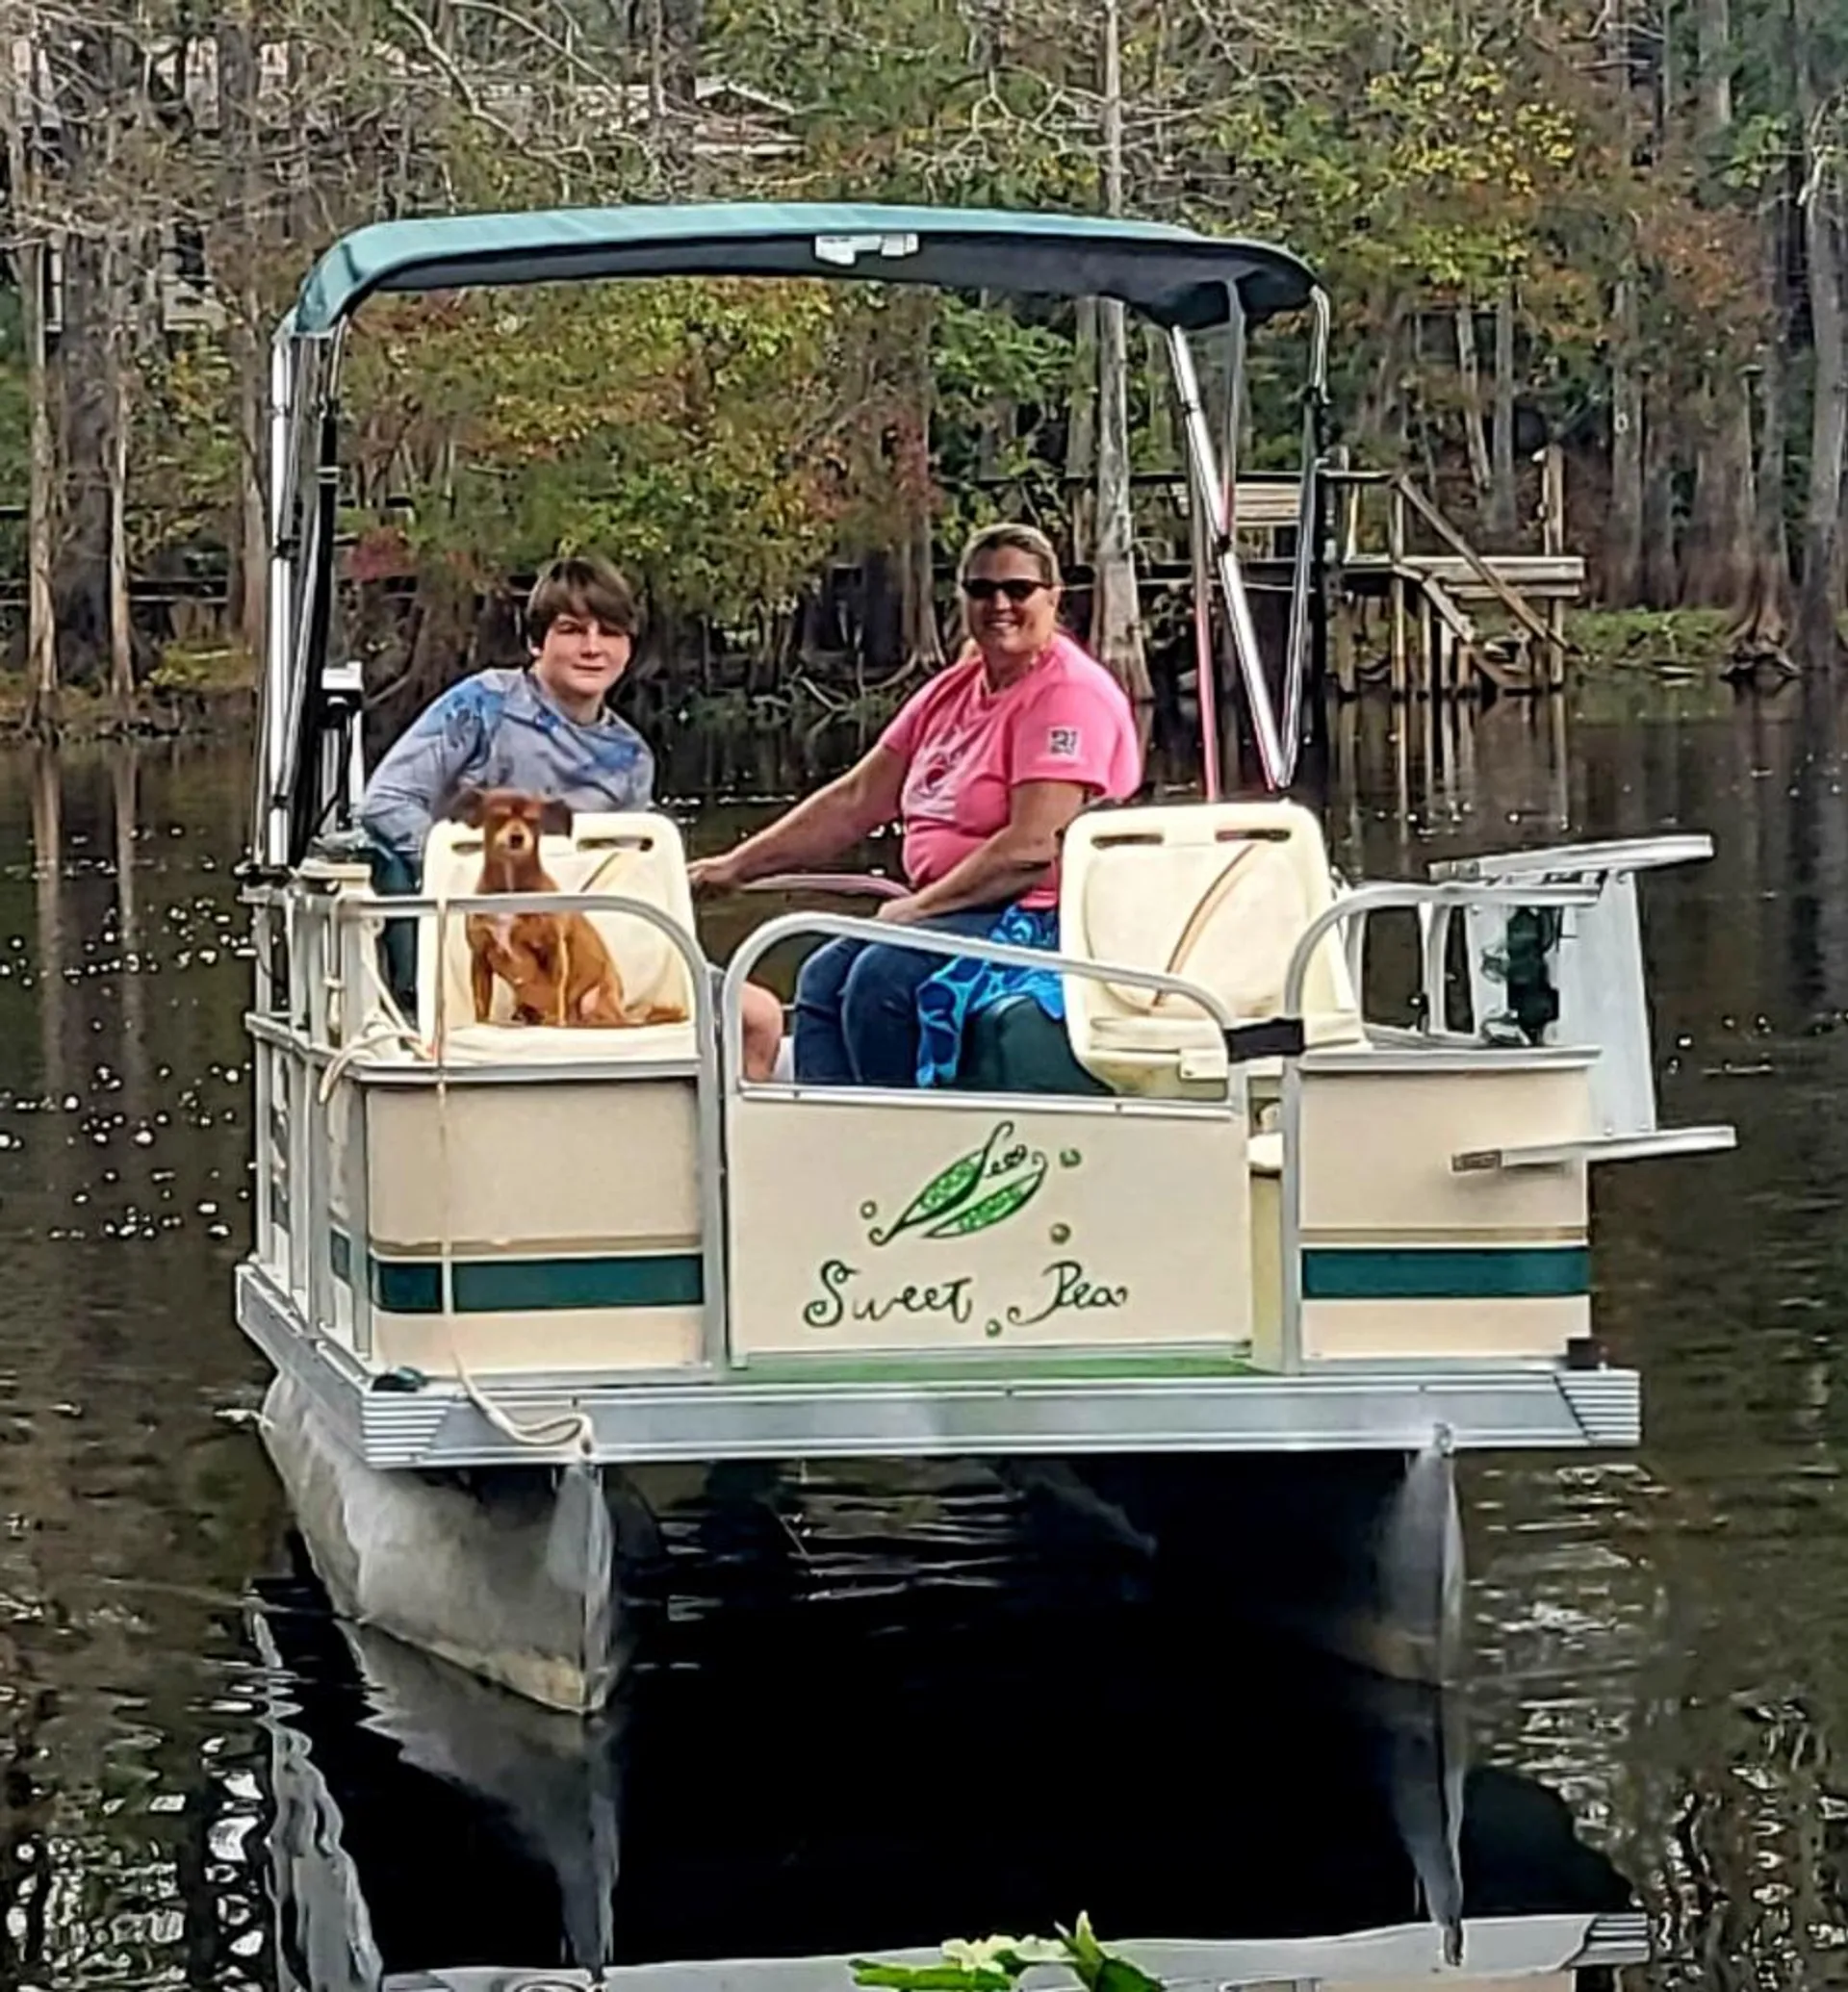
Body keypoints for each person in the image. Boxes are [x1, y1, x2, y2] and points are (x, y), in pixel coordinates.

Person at [689, 523, 1142, 1088]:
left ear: (1052, 597)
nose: (999, 604)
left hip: (1033, 912)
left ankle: (905, 1133)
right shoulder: (954, 689)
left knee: (882, 978)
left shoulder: (1067, 693)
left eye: (1018, 589)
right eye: (981, 589)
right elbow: (856, 800)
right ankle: (829, 1130)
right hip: (954, 909)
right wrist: (735, 866)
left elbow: (1031, 847)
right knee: (821, 977)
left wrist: (919, 908)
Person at [358, 553, 784, 1079]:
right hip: (490, 937)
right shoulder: (483, 705)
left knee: (759, 1018)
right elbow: (386, 802)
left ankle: (711, 1131)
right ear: (537, 641)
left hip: (597, 942)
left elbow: (632, 876)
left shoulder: (632, 758)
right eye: (572, 630)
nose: (592, 647)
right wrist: (465, 870)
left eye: (610, 632)